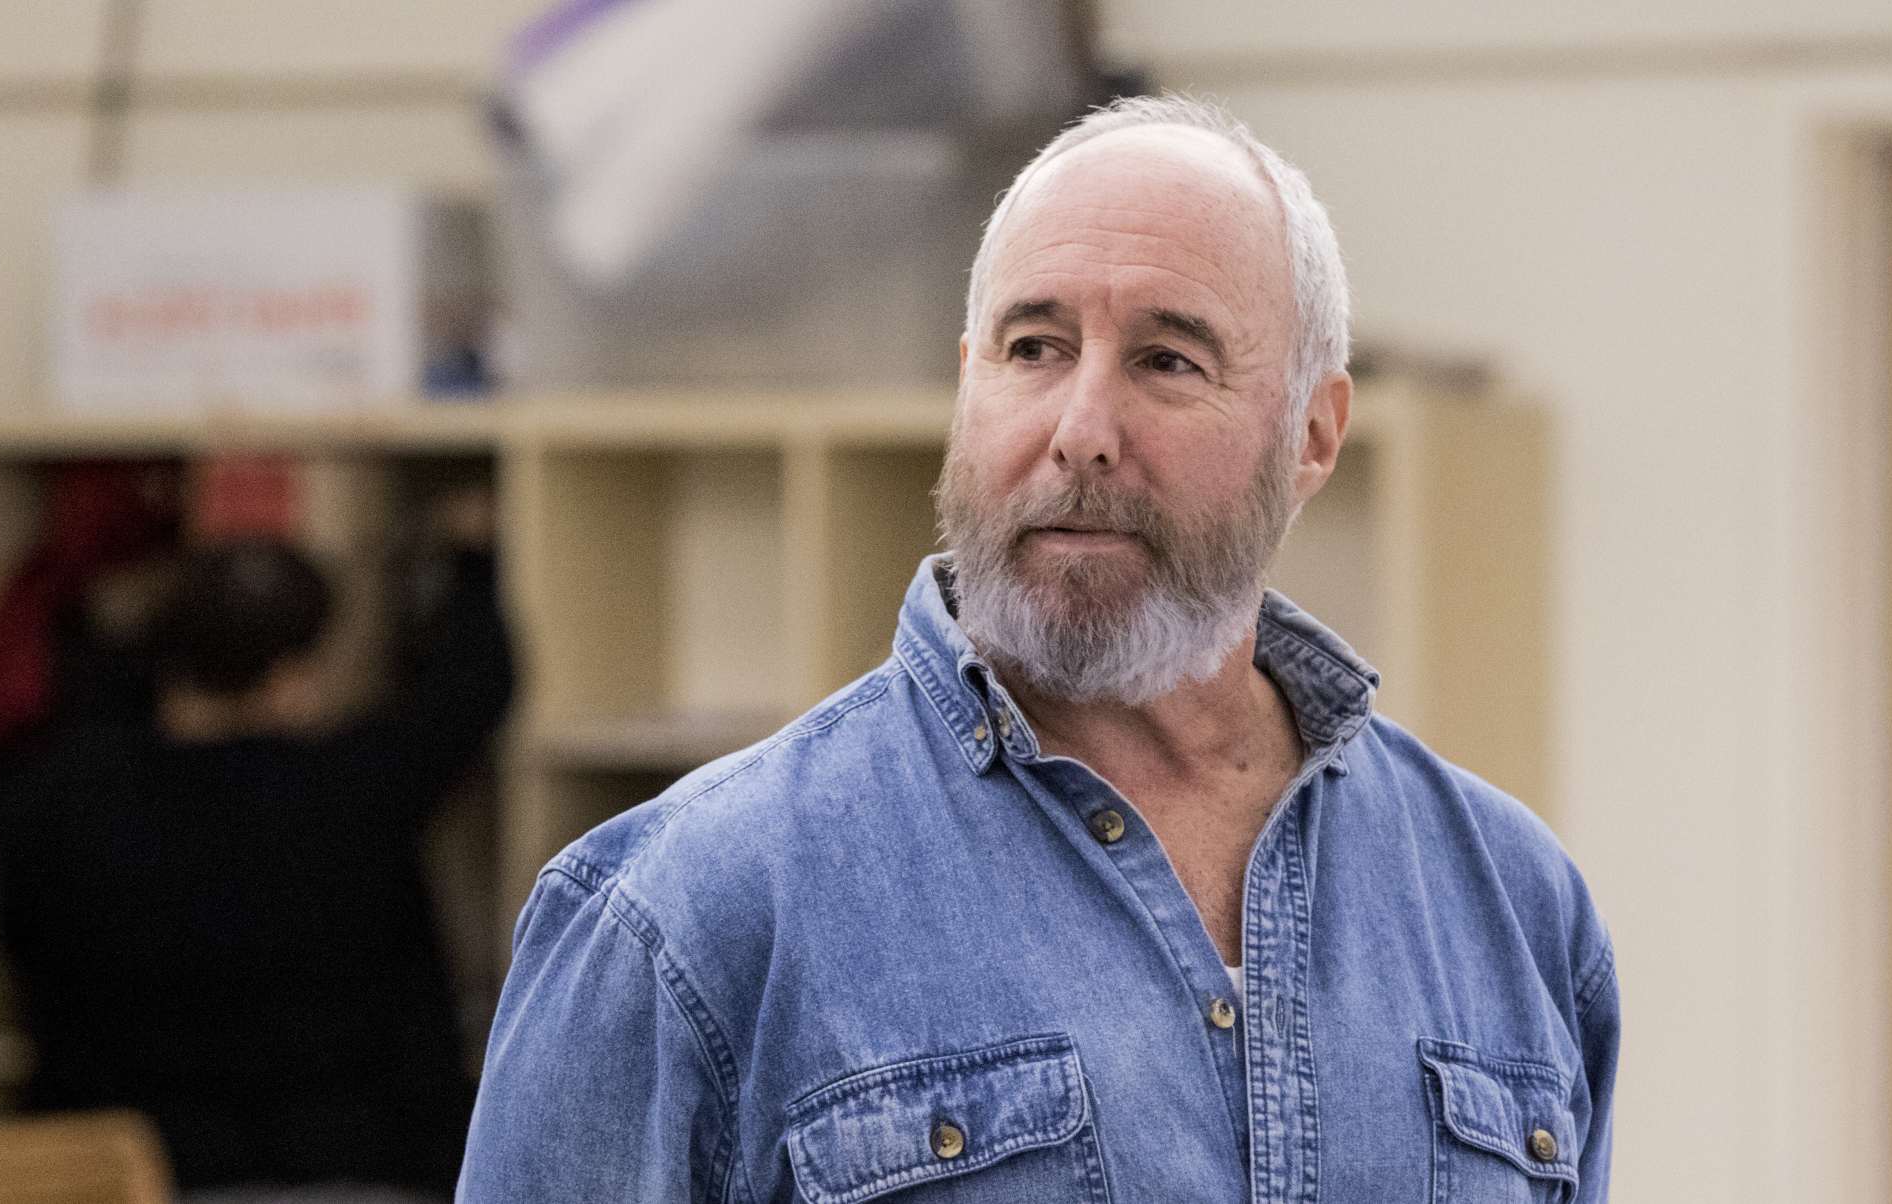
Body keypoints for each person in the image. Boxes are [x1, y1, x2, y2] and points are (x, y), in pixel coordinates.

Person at [459, 95, 1618, 1202]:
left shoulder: (1511, 903)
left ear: (1311, 435)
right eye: (1033, 348)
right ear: (968, 382)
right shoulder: (682, 917)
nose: (1080, 431)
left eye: (1168, 360)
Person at [0, 492, 515, 1200]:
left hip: (121, 1177)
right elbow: (475, 686)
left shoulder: (57, 795)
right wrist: (473, 557)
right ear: (289, 679)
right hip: (340, 1172)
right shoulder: (354, 787)